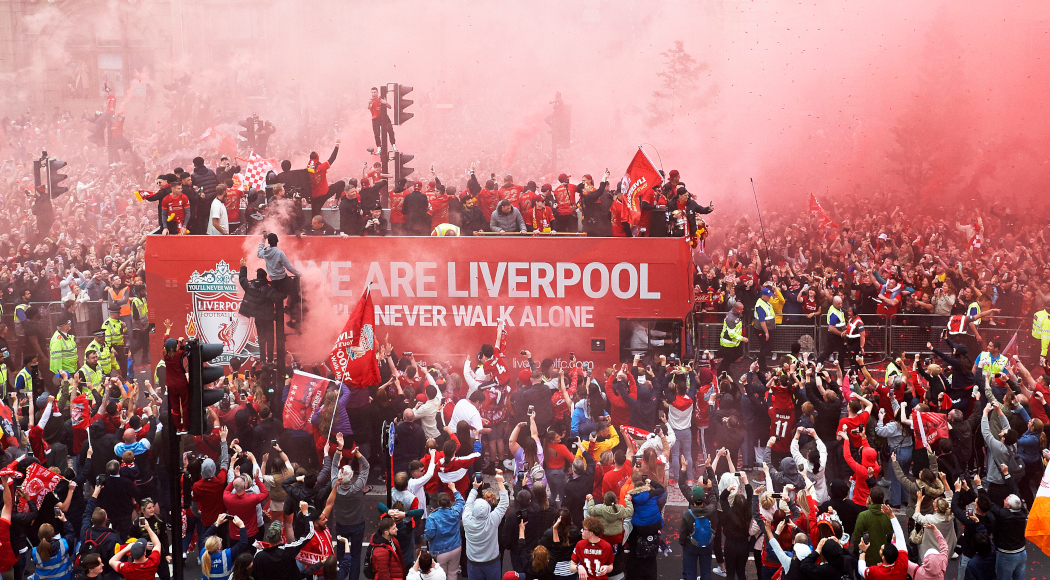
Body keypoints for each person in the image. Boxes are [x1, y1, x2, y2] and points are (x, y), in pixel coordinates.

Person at [461, 468, 508, 580]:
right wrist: (500, 482)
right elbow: (504, 503)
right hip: (492, 562)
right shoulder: (493, 519)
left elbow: (467, 504)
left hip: (473, 562)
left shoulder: (466, 520)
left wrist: (474, 488)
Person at [238, 259, 281, 365]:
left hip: (258, 317)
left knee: (261, 338)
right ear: (265, 276)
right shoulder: (268, 288)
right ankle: (270, 360)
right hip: (268, 317)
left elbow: (242, 279)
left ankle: (262, 360)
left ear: (257, 276)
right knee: (270, 338)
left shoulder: (250, 285)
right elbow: (278, 297)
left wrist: (243, 266)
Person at [424, 481, 465, 580]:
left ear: (438, 503)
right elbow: (461, 501)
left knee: (440, 576)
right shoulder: (455, 513)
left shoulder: (432, 517)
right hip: (455, 548)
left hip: (439, 551)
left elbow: (429, 535)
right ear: (450, 502)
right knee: (453, 573)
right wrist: (453, 488)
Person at [680, 485, 716, 580]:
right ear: (704, 498)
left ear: (692, 498)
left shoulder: (687, 514)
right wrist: (711, 488)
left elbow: (683, 534)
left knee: (691, 572)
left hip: (691, 546)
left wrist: (683, 544)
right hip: (707, 544)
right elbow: (714, 501)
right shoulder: (710, 510)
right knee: (706, 571)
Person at [201, 515, 252, 579]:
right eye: (220, 540)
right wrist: (241, 526)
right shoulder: (226, 555)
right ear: (219, 548)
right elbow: (243, 544)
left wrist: (217, 523)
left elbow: (204, 537)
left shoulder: (203, 552)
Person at [307, 141, 341, 216]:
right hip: (324, 193)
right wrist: (337, 146)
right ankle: (335, 203)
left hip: (314, 199)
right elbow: (332, 158)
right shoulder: (321, 167)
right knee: (342, 183)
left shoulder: (306, 170)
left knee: (314, 217)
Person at [753, 288, 776, 374]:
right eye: (768, 296)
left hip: (767, 328)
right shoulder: (760, 306)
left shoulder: (764, 303)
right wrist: (766, 332)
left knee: (766, 347)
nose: (770, 297)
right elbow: (762, 321)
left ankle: (760, 362)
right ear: (763, 296)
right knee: (766, 347)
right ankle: (760, 362)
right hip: (762, 330)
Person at [369, 88, 396, 153]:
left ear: (377, 92)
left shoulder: (381, 99)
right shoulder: (371, 101)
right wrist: (369, 104)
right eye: (372, 92)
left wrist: (386, 103)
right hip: (375, 119)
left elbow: (390, 107)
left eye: (374, 92)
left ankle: (393, 145)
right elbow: (369, 107)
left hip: (384, 117)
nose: (373, 94)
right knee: (376, 134)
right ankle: (379, 147)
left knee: (390, 131)